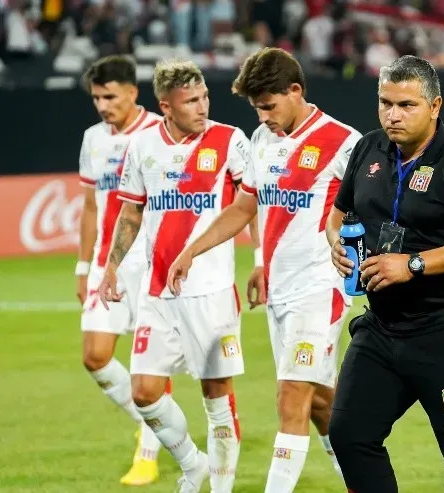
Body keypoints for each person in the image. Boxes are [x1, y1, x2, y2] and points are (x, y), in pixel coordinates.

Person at [165, 47, 362, 493]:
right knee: (319, 402)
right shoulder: (261, 139)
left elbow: (377, 204)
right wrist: (192, 250)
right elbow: (245, 205)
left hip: (320, 289)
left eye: (269, 106)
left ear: (296, 90)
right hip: (280, 292)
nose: (265, 116)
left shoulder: (342, 141)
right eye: (257, 108)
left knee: (291, 397)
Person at [325, 55, 444, 493]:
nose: (393, 114)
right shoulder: (368, 149)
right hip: (383, 328)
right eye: (385, 103)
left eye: (406, 105)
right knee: (349, 435)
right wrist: (337, 243)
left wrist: (414, 263)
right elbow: (338, 214)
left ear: (435, 105)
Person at [97, 58, 248, 493]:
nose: (202, 107)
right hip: (158, 292)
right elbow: (131, 210)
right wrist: (110, 267)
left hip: (212, 293)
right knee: (144, 391)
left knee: (216, 399)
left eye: (204, 97)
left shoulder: (229, 140)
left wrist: (259, 260)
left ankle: (219, 488)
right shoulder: (144, 147)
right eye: (191, 101)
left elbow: (249, 204)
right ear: (166, 106)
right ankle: (192, 463)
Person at [76, 54, 165, 487]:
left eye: (109, 96)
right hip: (104, 265)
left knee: (147, 364)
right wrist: (82, 265)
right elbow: (91, 206)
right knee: (95, 356)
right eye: (96, 97)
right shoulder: (93, 138)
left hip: (146, 265)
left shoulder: (157, 134)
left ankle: (147, 453)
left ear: (132, 92)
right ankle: (156, 422)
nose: (102, 105)